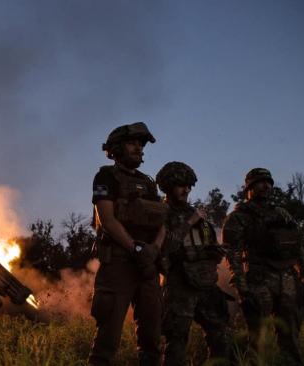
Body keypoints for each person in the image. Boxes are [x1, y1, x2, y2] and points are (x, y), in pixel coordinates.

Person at [88, 122, 168, 366]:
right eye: (133, 143)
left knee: (152, 340)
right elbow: (107, 220)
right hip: (118, 265)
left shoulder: (149, 183)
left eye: (141, 145)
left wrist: (153, 250)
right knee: (107, 340)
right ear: (117, 149)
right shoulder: (106, 176)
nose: (138, 149)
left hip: (147, 268)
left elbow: (164, 222)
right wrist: (135, 248)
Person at [222, 168, 304, 365]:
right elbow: (233, 255)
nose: (266, 186)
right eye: (260, 182)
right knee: (257, 337)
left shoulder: (282, 214)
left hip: (287, 280)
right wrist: (242, 291)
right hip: (258, 279)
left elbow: (299, 246)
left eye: (269, 182)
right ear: (249, 188)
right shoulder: (239, 217)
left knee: (291, 336)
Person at [156, 162, 231, 366]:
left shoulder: (198, 216)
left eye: (189, 185)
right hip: (178, 286)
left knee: (220, 337)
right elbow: (164, 248)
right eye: (181, 185)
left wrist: (214, 252)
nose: (186, 190)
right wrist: (188, 223)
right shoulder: (161, 214)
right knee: (177, 341)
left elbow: (210, 247)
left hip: (205, 285)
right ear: (168, 186)